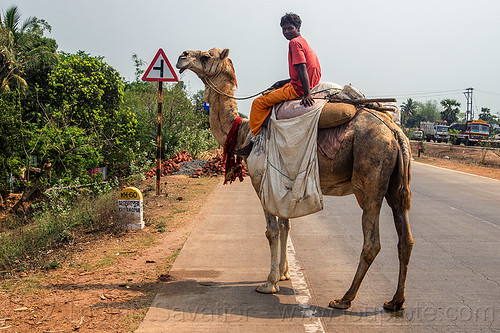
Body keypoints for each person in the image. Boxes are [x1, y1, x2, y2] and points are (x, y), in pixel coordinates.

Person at [249, 12, 322, 137]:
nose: (287, 32)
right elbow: (303, 71)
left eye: (290, 28)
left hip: (298, 89)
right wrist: (281, 83)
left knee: (258, 103)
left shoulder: (294, 43)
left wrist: (306, 94)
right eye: (284, 29)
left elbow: (302, 68)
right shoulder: (303, 42)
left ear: (298, 28)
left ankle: (255, 139)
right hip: (310, 84)